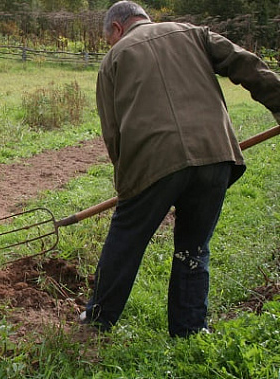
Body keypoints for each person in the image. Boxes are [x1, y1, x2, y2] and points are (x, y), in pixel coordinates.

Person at [80, 1, 280, 337]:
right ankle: (189, 331)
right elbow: (246, 65)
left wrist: (126, 184)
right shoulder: (193, 33)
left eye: (109, 38)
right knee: (194, 247)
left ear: (117, 29)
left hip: (151, 161)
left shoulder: (112, 60)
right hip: (215, 154)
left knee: (125, 243)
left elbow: (112, 132)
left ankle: (97, 322)